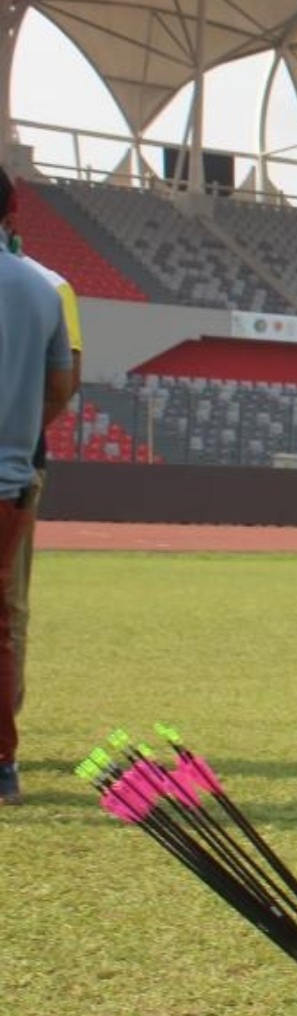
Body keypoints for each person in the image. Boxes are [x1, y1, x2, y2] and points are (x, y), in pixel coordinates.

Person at [0, 166, 76, 806]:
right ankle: (2, 764)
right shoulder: (44, 290)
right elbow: (60, 387)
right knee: (3, 620)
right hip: (13, 480)